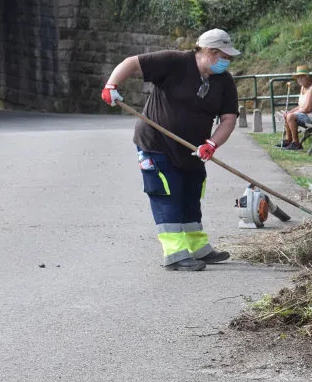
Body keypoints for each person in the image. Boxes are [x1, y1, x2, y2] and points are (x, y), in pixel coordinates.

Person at [101, 28, 241, 271]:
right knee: (168, 194)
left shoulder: (224, 81)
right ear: (209, 51)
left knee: (190, 194)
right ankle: (175, 254)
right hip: (156, 145)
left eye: (229, 57)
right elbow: (131, 63)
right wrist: (111, 85)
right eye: (224, 56)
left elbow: (229, 118)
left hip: (193, 150)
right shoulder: (174, 62)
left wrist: (212, 144)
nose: (227, 62)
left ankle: (198, 247)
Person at [276, 65, 312, 150]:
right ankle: (288, 140)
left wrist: (292, 114)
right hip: (308, 114)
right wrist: (290, 112)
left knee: (290, 116)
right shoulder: (303, 87)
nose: (299, 80)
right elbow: (301, 106)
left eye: (302, 77)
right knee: (288, 114)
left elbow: (308, 108)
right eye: (298, 77)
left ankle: (296, 144)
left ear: (308, 77)